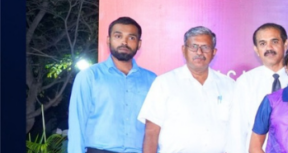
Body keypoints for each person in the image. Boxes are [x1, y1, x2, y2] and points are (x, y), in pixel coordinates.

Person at [138, 26, 236, 153]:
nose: (199, 52)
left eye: (205, 47)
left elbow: (237, 130)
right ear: (184, 50)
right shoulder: (164, 83)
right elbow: (152, 132)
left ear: (214, 52)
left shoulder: (229, 85)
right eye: (193, 47)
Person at [68, 17, 156, 153]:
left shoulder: (152, 80)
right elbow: (77, 123)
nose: (124, 42)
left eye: (131, 37)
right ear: (108, 40)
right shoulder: (90, 76)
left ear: (139, 44)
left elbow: (156, 126)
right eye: (118, 36)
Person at [229, 23, 288, 153]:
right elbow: (237, 128)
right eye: (262, 43)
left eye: (274, 42)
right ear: (256, 49)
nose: (269, 48)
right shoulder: (245, 82)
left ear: (285, 44)